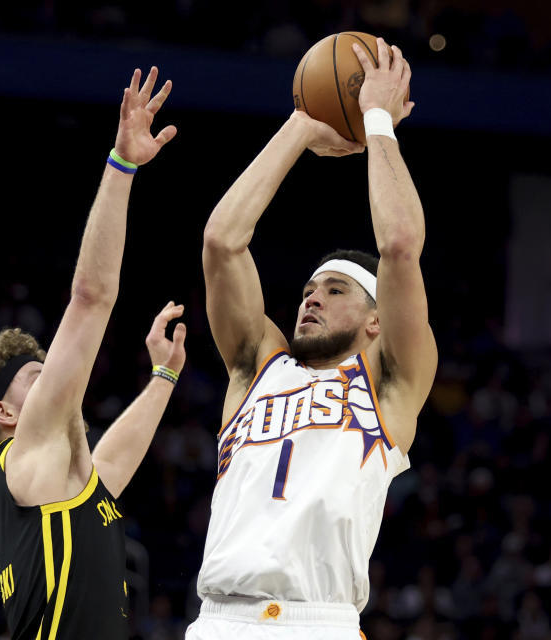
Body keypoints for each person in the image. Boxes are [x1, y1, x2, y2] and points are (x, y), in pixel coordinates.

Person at [190, 38, 438, 638]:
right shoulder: (257, 368)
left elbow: (400, 246)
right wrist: (300, 127)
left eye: (334, 290)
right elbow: (223, 241)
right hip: (220, 620)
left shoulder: (390, 381)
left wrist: (376, 118)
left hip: (318, 621)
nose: (311, 297)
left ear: (376, 320)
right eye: (308, 289)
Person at [0, 67, 185, 639]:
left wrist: (164, 376)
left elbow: (112, 466)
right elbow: (92, 297)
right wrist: (122, 166)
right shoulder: (29, 455)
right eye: (34, 375)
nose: (53, 376)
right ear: (4, 412)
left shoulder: (55, 474)